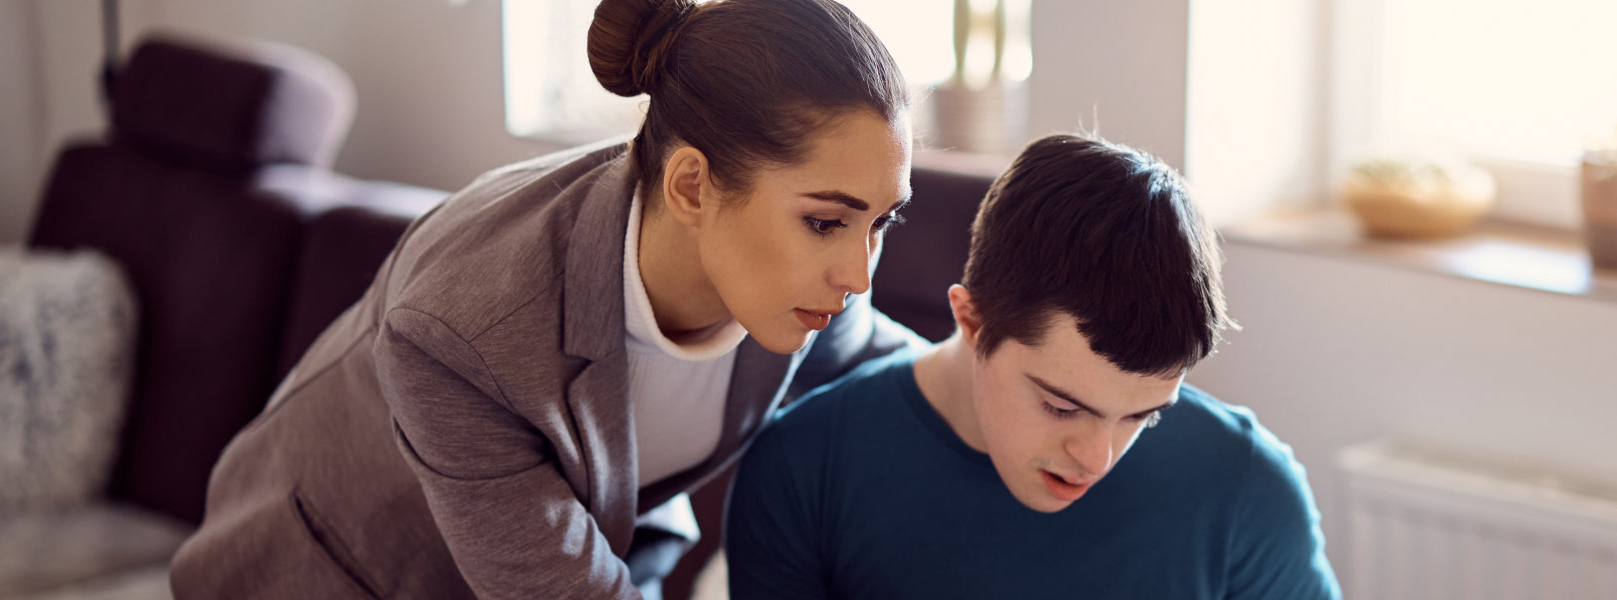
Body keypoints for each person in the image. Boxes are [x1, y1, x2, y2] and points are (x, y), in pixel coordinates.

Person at [169, 0, 919, 598]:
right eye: (825, 222)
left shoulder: (804, 291)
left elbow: (907, 370)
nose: (858, 273)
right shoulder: (461, 329)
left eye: (881, 222)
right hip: (325, 572)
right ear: (691, 185)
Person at [725, 134, 1342, 599]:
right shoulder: (803, 471)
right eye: (1062, 406)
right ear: (971, 321)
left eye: (1142, 417)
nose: (1097, 458)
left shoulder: (1248, 488)